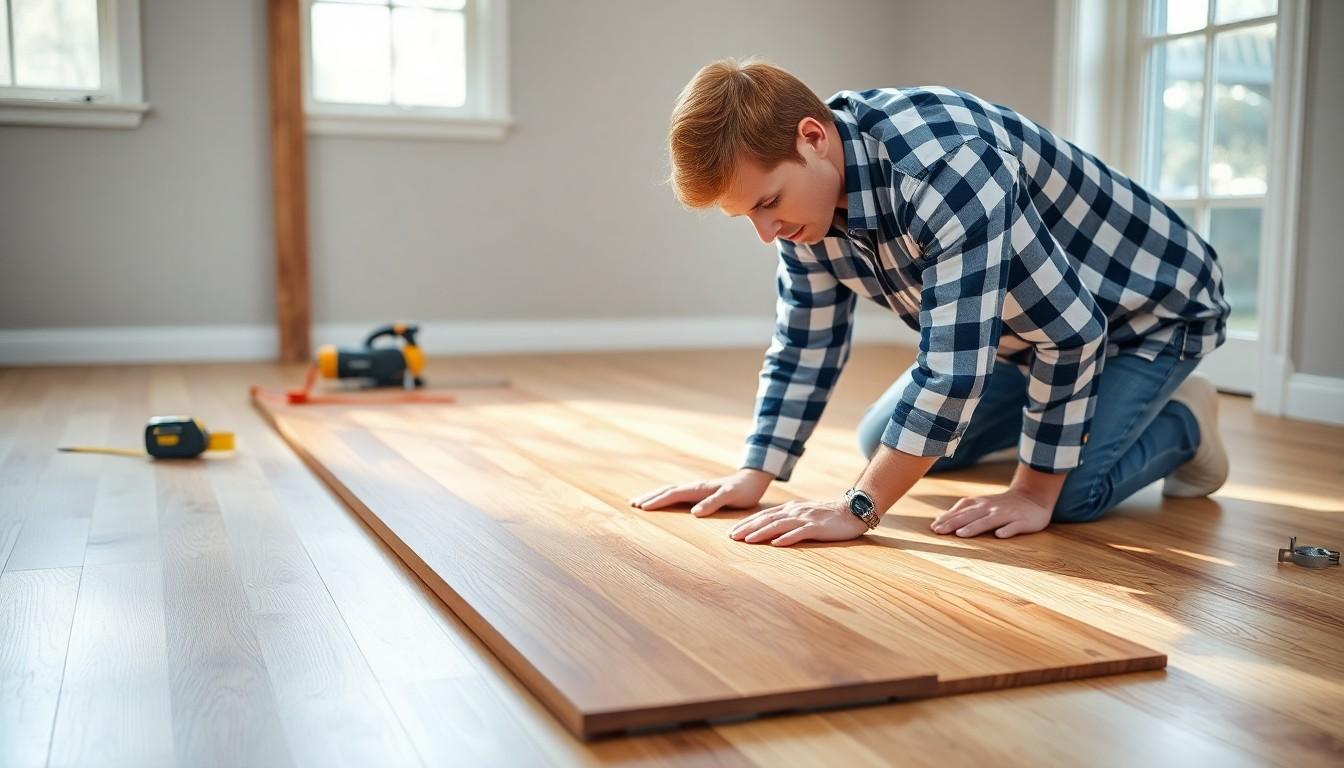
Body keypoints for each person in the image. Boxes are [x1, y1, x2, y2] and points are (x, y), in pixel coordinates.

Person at [629, 59, 1231, 545]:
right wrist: (753, 473)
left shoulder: (945, 167)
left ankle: (1185, 420)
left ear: (811, 138)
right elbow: (804, 346)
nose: (766, 233)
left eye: (766, 203)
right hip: (1021, 330)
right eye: (746, 218)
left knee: (1067, 497)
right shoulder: (803, 211)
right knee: (880, 444)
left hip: (1147, 313)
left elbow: (1066, 334)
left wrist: (863, 507)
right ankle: (1078, 417)